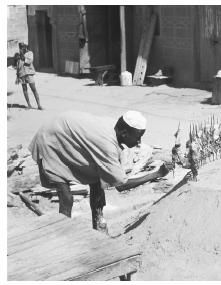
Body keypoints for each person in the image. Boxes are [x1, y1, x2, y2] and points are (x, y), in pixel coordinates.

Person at [29, 110, 174, 233]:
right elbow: (121, 185)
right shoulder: (107, 145)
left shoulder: (115, 129)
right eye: (138, 137)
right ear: (124, 133)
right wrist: (157, 174)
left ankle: (98, 224)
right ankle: (63, 234)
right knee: (66, 197)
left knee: (97, 181)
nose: (139, 142)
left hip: (65, 129)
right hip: (51, 138)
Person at [15, 42, 43, 110]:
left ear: (25, 47)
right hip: (21, 74)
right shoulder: (18, 56)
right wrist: (17, 76)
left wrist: (22, 54)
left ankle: (39, 105)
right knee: (24, 90)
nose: (22, 48)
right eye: (20, 47)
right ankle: (29, 105)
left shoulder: (30, 53)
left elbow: (29, 61)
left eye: (23, 47)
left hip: (29, 73)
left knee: (33, 89)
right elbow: (18, 66)